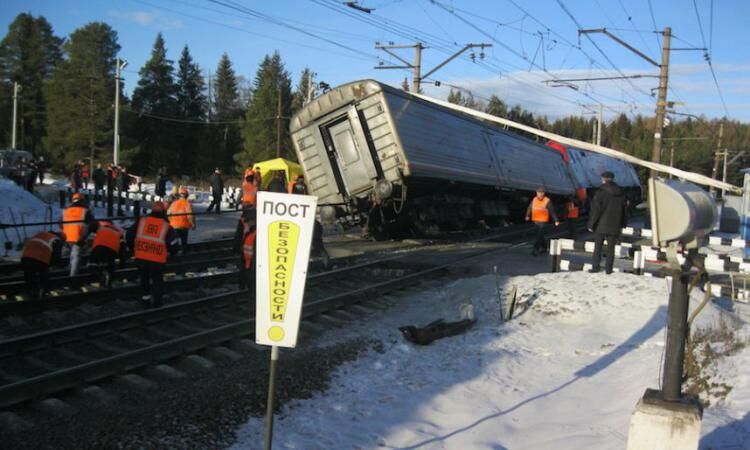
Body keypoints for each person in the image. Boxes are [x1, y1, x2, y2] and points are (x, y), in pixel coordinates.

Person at [127, 201, 176, 308]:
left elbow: (129, 234)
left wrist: (132, 248)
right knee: (157, 281)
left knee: (144, 279)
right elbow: (172, 244)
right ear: (163, 212)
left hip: (141, 257)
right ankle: (157, 303)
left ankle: (145, 301)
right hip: (157, 259)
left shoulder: (141, 221)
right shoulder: (167, 226)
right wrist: (172, 253)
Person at [587, 171, 628, 274]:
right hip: (615, 225)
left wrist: (591, 224)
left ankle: (595, 267)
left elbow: (596, 210)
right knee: (611, 248)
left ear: (603, 179)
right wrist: (623, 223)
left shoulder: (600, 192)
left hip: (601, 225)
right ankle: (608, 269)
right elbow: (624, 210)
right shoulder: (621, 192)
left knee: (598, 247)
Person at [21, 231, 64, 298]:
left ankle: (32, 293)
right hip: (40, 258)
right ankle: (44, 292)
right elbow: (56, 256)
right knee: (43, 276)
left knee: (29, 277)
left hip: (25, 257)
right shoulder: (57, 239)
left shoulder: (41, 234)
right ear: (62, 238)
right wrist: (55, 264)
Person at [62, 192, 97, 276]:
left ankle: (64, 274)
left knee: (69, 256)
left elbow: (60, 224)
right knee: (76, 258)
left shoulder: (66, 211)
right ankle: (72, 278)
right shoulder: (85, 211)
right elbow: (93, 224)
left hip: (66, 237)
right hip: (78, 238)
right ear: (82, 201)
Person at [89, 220, 126, 288]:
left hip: (99, 246)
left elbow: (88, 229)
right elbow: (122, 249)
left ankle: (101, 276)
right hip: (113, 249)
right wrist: (122, 264)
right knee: (110, 266)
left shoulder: (101, 227)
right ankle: (108, 282)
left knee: (92, 265)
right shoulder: (119, 231)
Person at [525, 187, 559, 256]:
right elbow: (530, 207)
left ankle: (535, 250)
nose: (540, 194)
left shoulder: (547, 201)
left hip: (543, 221)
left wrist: (556, 220)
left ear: (543, 193)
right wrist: (527, 215)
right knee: (540, 235)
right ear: (536, 193)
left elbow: (552, 211)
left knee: (539, 235)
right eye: (538, 193)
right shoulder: (534, 199)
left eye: (541, 193)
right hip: (535, 220)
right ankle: (544, 247)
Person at [233, 206, 257, 300]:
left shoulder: (255, 233)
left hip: (251, 262)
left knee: (250, 280)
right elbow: (239, 234)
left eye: (248, 221)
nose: (247, 223)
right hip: (247, 259)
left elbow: (239, 234)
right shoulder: (250, 230)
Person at [167, 186, 195, 254]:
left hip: (174, 226)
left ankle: (174, 252)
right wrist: (193, 224)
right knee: (183, 241)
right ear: (187, 195)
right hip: (183, 226)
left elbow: (168, 213)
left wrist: (171, 221)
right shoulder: (187, 203)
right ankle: (184, 252)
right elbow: (190, 215)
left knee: (174, 241)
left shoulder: (174, 203)